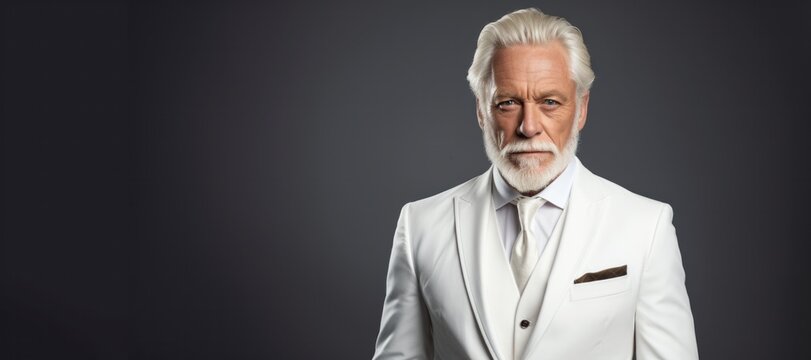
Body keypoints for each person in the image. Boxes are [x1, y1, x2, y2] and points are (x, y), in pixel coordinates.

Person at [372, 8, 699, 360]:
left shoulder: (646, 227)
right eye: (508, 103)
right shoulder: (420, 226)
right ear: (481, 111)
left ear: (581, 109)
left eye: (550, 102)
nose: (528, 127)